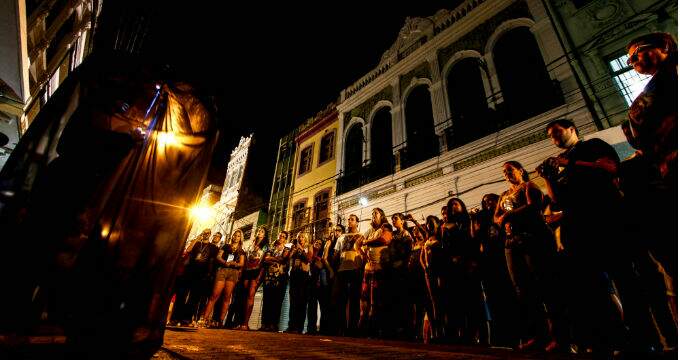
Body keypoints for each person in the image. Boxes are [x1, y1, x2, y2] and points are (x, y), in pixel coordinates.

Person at [537, 118, 625, 355]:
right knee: (592, 287)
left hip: (605, 220)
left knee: (622, 280)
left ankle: (638, 339)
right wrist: (547, 177)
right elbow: (558, 200)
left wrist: (571, 162)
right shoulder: (561, 164)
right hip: (578, 229)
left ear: (572, 129)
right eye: (551, 136)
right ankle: (605, 339)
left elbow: (611, 168)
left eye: (557, 132)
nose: (554, 138)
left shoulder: (592, 145)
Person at [623, 32, 677, 293]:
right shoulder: (656, 84)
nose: (632, 62)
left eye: (635, 54)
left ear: (664, 46)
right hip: (664, 172)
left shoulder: (674, 75)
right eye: (629, 59)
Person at [495, 161, 558, 351]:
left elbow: (534, 206)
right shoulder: (503, 195)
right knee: (523, 289)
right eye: (504, 172)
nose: (507, 174)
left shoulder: (529, 186)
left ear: (520, 170)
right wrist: (502, 220)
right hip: (512, 243)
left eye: (509, 170)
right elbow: (496, 216)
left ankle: (558, 335)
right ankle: (538, 335)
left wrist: (509, 216)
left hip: (533, 239)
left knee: (543, 285)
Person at [200, 229, 245, 328]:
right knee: (214, 295)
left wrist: (235, 264)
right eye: (234, 235)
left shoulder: (241, 250)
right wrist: (225, 262)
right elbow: (218, 256)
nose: (235, 237)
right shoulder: (226, 246)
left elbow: (242, 263)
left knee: (227, 297)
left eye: (238, 236)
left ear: (240, 238)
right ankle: (204, 319)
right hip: (222, 270)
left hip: (233, 273)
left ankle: (220, 321)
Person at [357, 208, 390, 337]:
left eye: (375, 213)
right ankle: (362, 324)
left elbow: (384, 240)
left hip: (379, 269)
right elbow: (357, 244)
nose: (372, 215)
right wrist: (362, 253)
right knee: (364, 298)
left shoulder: (385, 227)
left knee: (375, 300)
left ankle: (375, 329)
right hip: (367, 269)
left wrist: (367, 242)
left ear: (381, 216)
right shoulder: (369, 231)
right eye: (372, 214)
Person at [331, 214, 364, 336]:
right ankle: (341, 328)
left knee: (354, 299)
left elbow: (364, 253)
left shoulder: (361, 236)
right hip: (342, 270)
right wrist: (335, 268)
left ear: (357, 222)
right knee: (341, 300)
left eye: (352, 219)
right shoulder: (341, 238)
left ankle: (353, 328)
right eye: (348, 219)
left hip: (355, 269)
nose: (349, 221)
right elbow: (335, 254)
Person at [385, 213, 413, 339]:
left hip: (402, 269)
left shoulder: (406, 234)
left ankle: (406, 330)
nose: (393, 221)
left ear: (402, 221)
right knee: (394, 299)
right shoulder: (393, 235)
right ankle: (395, 329)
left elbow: (408, 251)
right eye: (392, 219)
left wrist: (402, 262)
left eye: (395, 219)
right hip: (393, 269)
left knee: (403, 299)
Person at [260, 231, 290, 332]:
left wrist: (272, 259)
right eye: (280, 236)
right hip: (269, 277)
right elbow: (265, 259)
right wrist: (276, 259)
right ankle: (264, 324)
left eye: (284, 236)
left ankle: (273, 324)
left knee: (277, 302)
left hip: (280, 278)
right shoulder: (271, 248)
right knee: (267, 300)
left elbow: (283, 259)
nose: (281, 237)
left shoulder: (287, 249)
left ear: (286, 239)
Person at [239, 226, 267, 330]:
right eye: (259, 231)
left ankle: (245, 323)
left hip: (256, 271)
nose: (259, 232)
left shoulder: (265, 246)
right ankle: (240, 321)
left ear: (265, 235)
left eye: (262, 231)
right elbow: (246, 258)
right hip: (247, 270)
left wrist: (260, 275)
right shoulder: (251, 244)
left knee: (251, 295)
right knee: (243, 295)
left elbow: (263, 262)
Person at [286, 232, 312, 333]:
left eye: (302, 237)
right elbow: (289, 258)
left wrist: (301, 249)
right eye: (299, 237)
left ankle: (299, 327)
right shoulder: (294, 247)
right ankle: (291, 325)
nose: (300, 238)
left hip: (304, 275)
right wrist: (293, 250)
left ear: (305, 238)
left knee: (301, 301)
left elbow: (309, 259)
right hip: (294, 274)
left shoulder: (308, 246)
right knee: (293, 301)